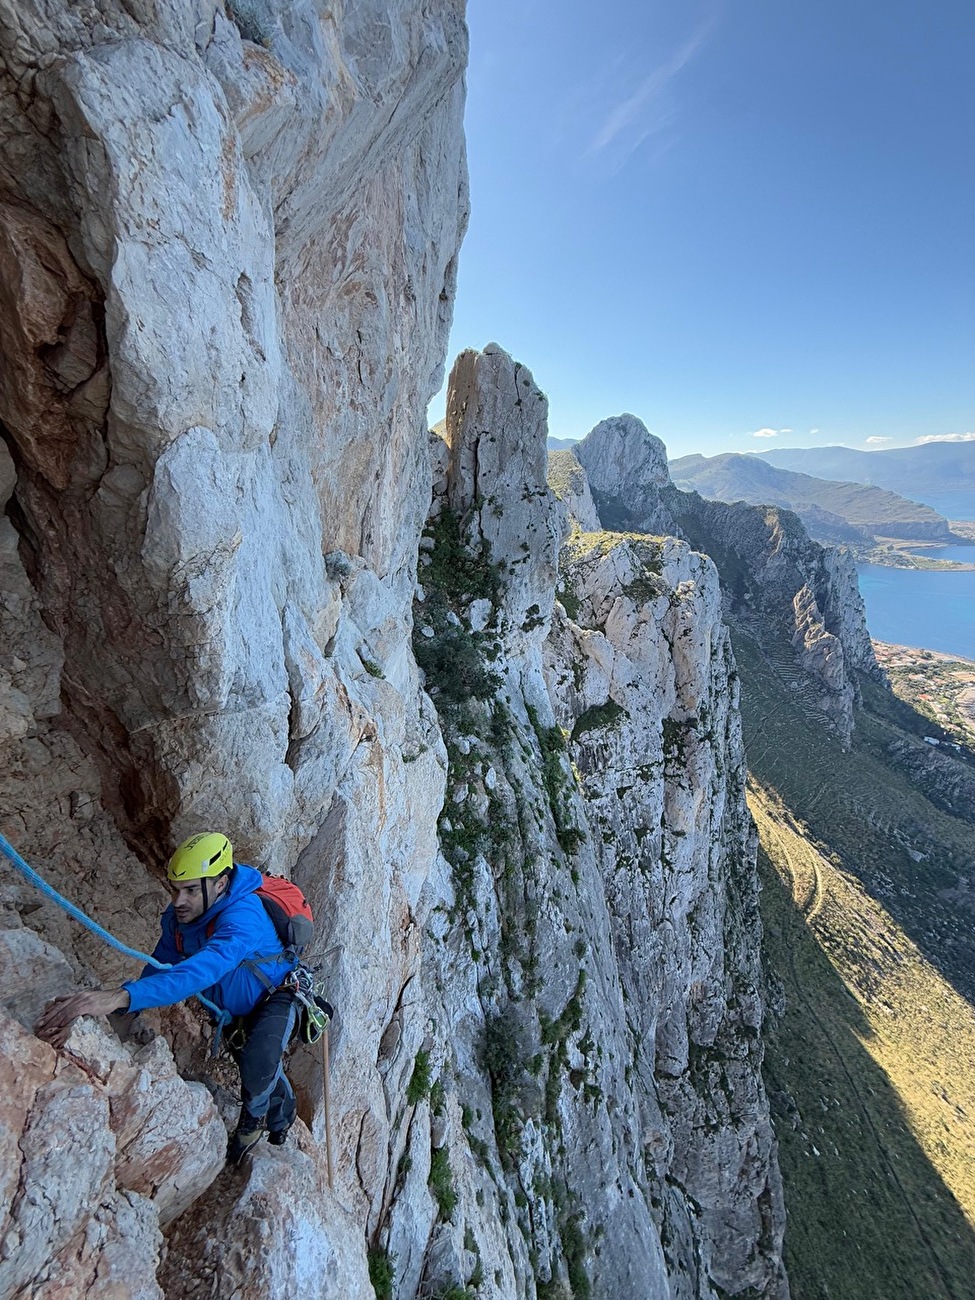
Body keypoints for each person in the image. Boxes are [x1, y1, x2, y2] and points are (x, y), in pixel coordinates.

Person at [35, 832, 300, 1165]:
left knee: (259, 1066)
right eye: (176, 889)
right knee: (259, 1064)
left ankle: (261, 1122)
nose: (178, 901)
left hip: (275, 997)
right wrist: (126, 1011)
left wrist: (119, 997)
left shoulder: (244, 917)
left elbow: (200, 971)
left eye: (190, 890)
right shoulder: (183, 918)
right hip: (232, 1008)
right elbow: (164, 961)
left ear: (219, 885)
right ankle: (274, 1107)